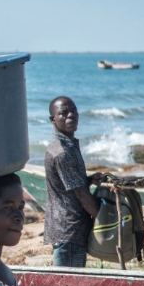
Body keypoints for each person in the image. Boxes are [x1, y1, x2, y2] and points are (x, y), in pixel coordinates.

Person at [44, 96, 100, 268]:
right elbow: (81, 195)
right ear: (53, 119)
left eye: (73, 110)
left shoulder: (68, 145)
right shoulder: (62, 152)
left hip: (69, 231)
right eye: (63, 113)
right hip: (69, 232)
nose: (71, 115)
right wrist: (104, 220)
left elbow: (69, 186)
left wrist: (89, 180)